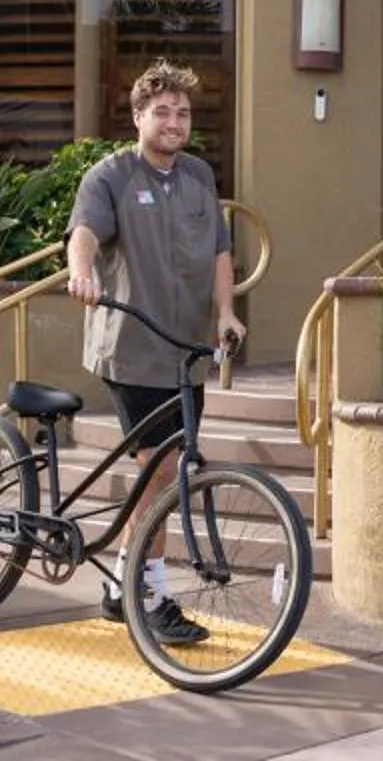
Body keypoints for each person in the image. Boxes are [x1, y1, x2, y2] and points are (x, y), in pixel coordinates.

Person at [65, 61, 244, 640]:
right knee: (165, 473)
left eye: (182, 113)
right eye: (162, 112)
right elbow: (84, 234)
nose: (173, 121)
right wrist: (82, 273)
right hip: (132, 347)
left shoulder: (197, 176)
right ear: (138, 117)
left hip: (184, 350)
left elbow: (219, 251)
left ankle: (123, 584)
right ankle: (150, 595)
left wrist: (225, 313)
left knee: (168, 472)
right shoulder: (110, 176)